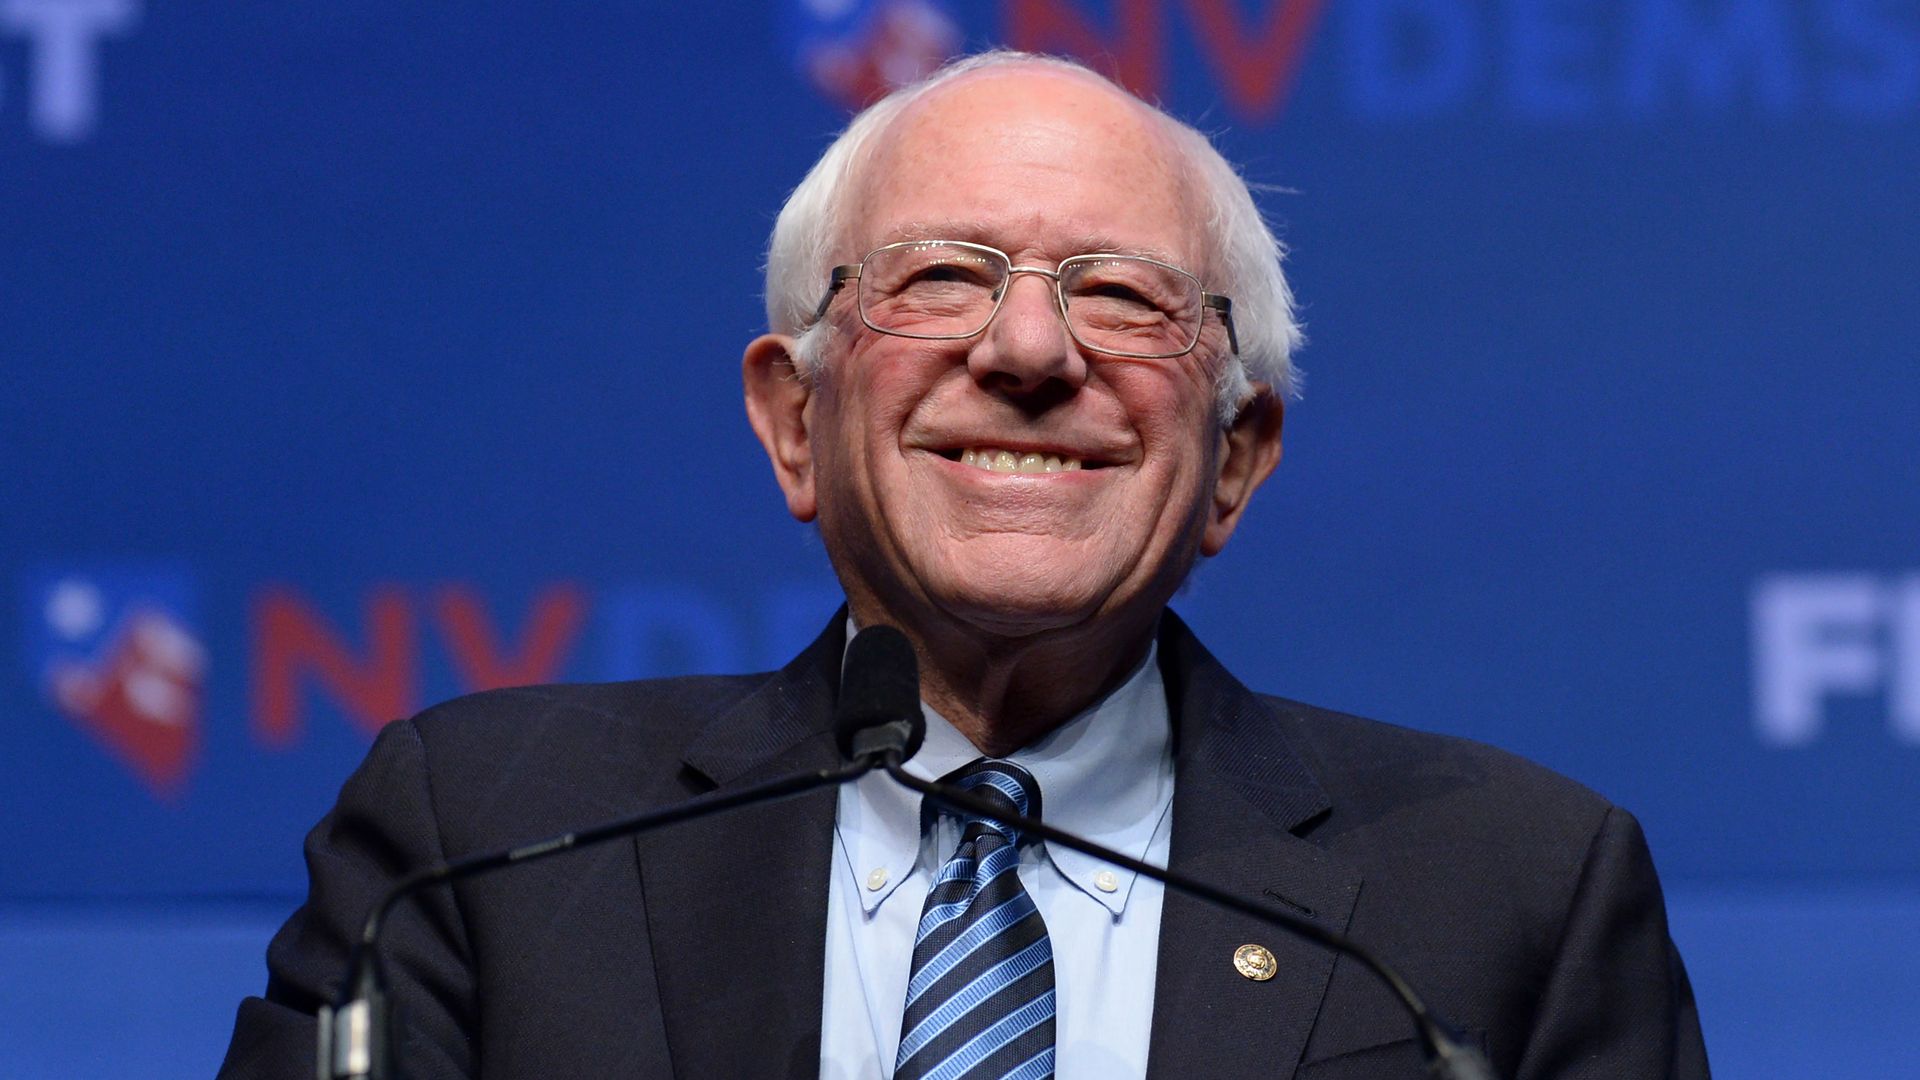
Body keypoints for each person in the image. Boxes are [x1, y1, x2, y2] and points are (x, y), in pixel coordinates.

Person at [217, 51, 1708, 1080]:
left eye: (1122, 295)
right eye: (942, 278)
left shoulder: (1509, 890)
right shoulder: (486, 846)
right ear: (794, 421)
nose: (1029, 351)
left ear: (1237, 459)